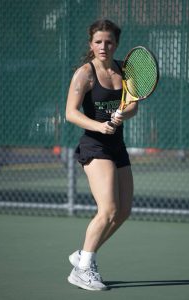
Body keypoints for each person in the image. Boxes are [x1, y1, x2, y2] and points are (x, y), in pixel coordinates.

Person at [65, 19, 138, 291]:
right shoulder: (85, 74)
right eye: (98, 42)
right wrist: (100, 125)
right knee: (108, 210)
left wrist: (122, 114)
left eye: (108, 42)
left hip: (117, 146)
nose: (103, 46)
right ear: (91, 44)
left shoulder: (125, 69)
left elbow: (133, 106)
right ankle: (83, 270)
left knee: (123, 211)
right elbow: (70, 112)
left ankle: (84, 255)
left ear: (116, 44)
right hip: (94, 147)